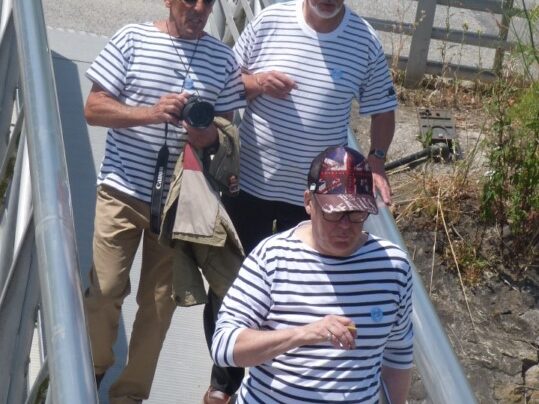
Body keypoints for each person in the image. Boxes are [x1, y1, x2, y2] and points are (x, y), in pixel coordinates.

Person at [82, 0, 246, 402]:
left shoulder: (223, 60)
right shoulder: (132, 39)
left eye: (208, 2)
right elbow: (93, 108)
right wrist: (152, 113)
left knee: (159, 305)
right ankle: (90, 371)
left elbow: (226, 130)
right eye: (189, 0)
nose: (199, 9)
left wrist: (208, 135)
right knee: (105, 289)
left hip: (180, 201)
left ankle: (128, 396)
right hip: (122, 190)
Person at [212, 146, 413, 403]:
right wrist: (305, 334)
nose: (345, 225)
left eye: (356, 213)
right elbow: (224, 345)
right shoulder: (272, 256)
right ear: (309, 202)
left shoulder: (393, 267)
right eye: (333, 212)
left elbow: (398, 353)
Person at [222, 0, 398, 255]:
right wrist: (258, 82)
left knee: (303, 274)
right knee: (237, 268)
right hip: (250, 183)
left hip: (319, 194)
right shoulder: (268, 21)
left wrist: (377, 161)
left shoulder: (365, 40)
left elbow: (383, 108)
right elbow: (226, 83)